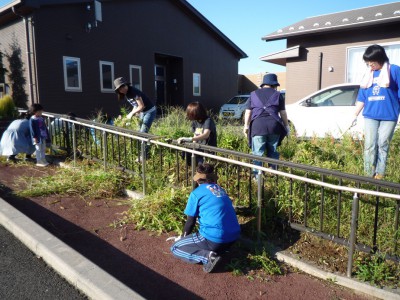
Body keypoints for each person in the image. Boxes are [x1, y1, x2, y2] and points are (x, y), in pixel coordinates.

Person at [169, 163, 241, 273]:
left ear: (198, 181)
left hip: (214, 238)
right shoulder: (221, 190)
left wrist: (182, 238)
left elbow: (190, 221)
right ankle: (220, 251)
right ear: (213, 179)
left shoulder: (196, 193)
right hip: (233, 237)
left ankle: (208, 257)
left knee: (176, 247)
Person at [353, 44, 400, 180]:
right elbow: (362, 97)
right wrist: (354, 115)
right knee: (369, 145)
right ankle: (368, 174)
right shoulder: (368, 75)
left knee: (383, 144)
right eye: (368, 62)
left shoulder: (394, 70)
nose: (369, 65)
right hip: (370, 115)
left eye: (371, 62)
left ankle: (380, 174)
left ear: (380, 58)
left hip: (389, 116)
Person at [243, 73, 289, 174]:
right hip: (274, 127)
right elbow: (283, 113)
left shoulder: (253, 94)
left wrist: (246, 126)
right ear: (274, 85)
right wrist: (286, 126)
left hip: (258, 127)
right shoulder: (278, 95)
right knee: (273, 152)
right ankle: (273, 174)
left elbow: (248, 112)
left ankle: (257, 177)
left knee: (258, 154)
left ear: (264, 84)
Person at [177, 102, 217, 166]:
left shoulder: (208, 121)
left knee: (203, 170)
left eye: (191, 114)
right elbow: (195, 135)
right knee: (195, 167)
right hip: (198, 150)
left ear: (197, 113)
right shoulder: (195, 121)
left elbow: (206, 135)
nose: (189, 116)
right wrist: (192, 144)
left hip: (207, 152)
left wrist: (189, 139)